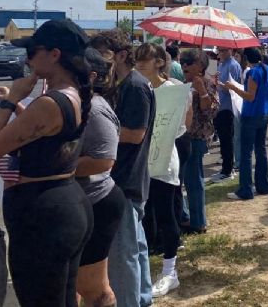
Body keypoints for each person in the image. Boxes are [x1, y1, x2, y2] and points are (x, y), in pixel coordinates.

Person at [0, 19, 93, 306]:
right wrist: (20, 105)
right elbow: (45, 135)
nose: (27, 58)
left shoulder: (51, 102)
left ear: (54, 54)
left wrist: (11, 99)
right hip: (63, 203)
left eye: (32, 50)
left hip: (42, 214)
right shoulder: (71, 93)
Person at [90, 29, 156, 307]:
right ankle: (142, 298)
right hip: (126, 178)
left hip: (126, 179)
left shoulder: (136, 86)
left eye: (103, 55)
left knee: (122, 254)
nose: (97, 61)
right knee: (135, 248)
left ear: (122, 55)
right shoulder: (119, 84)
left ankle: (131, 301)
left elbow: (135, 133)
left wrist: (99, 132)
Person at [135, 43, 191, 297]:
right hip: (139, 162)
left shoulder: (174, 90)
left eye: (145, 59)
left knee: (167, 213)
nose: (140, 63)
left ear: (160, 62)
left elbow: (181, 128)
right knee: (144, 216)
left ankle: (170, 270)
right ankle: (143, 268)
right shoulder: (137, 88)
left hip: (165, 159)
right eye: (138, 59)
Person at [76, 46, 126, 306]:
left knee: (94, 288)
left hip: (98, 200)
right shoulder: (78, 104)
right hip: (80, 201)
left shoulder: (94, 109)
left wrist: (53, 168)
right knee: (74, 281)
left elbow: (104, 159)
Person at [223, 47, 268, 200]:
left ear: (246, 58)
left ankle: (245, 189)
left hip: (251, 114)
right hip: (264, 113)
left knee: (246, 154)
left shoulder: (253, 73)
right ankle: (264, 185)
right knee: (261, 150)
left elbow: (250, 96)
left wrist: (233, 87)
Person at [180, 47, 218, 234]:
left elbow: (209, 111)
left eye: (189, 62)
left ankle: (198, 222)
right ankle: (185, 216)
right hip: (182, 135)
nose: (184, 64)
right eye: (183, 61)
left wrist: (202, 91)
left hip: (197, 137)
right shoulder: (182, 82)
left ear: (201, 66)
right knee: (180, 180)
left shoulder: (207, 82)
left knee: (194, 180)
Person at [209, 47, 242, 183]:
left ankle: (228, 170)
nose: (221, 53)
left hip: (228, 107)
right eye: (220, 51)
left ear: (231, 51)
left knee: (227, 139)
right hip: (220, 106)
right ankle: (226, 168)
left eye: (224, 50)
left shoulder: (233, 65)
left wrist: (219, 85)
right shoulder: (221, 64)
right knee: (223, 140)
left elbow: (234, 88)